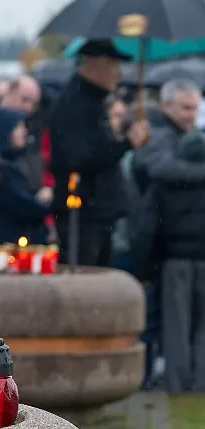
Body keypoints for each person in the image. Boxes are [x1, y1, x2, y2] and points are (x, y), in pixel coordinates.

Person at [49, 40, 149, 267]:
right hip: (82, 210)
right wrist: (126, 144)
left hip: (98, 209)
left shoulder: (94, 101)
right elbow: (81, 157)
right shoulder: (74, 105)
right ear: (93, 65)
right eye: (113, 66)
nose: (118, 73)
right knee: (85, 274)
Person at [130, 131, 205, 392]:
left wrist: (143, 268)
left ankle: (177, 381)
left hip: (175, 260)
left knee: (176, 325)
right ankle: (201, 380)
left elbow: (147, 229)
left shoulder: (165, 182)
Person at [0, 106, 51, 245]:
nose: (24, 132)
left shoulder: (20, 161)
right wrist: (47, 201)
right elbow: (24, 206)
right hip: (7, 242)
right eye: (18, 127)